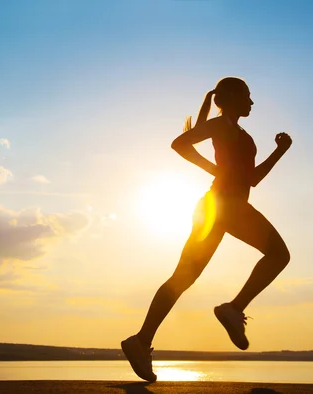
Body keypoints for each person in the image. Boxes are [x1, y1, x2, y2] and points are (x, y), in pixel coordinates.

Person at [121, 77, 292, 382]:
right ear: (232, 98)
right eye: (248, 97)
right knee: (278, 255)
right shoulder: (221, 125)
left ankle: (141, 340)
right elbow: (179, 144)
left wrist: (280, 151)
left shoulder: (238, 131)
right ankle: (232, 309)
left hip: (217, 207)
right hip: (225, 205)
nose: (252, 103)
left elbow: (251, 179)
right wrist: (213, 169)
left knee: (182, 277)